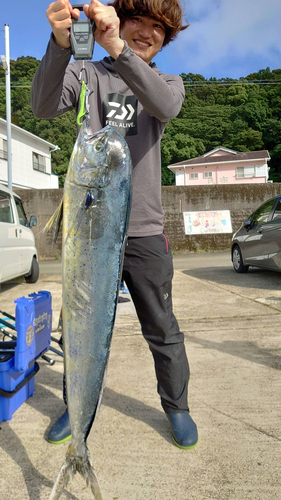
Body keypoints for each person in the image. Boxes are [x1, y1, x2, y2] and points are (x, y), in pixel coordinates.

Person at [31, 0, 198, 450]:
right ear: (120, 20)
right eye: (137, 21)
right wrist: (60, 43)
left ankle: (176, 407)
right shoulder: (89, 73)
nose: (146, 32)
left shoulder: (166, 81)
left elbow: (165, 106)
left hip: (144, 230)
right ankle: (77, 404)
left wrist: (120, 49)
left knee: (162, 328)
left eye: (157, 28)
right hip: (86, 230)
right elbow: (43, 106)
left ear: (167, 38)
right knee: (81, 324)